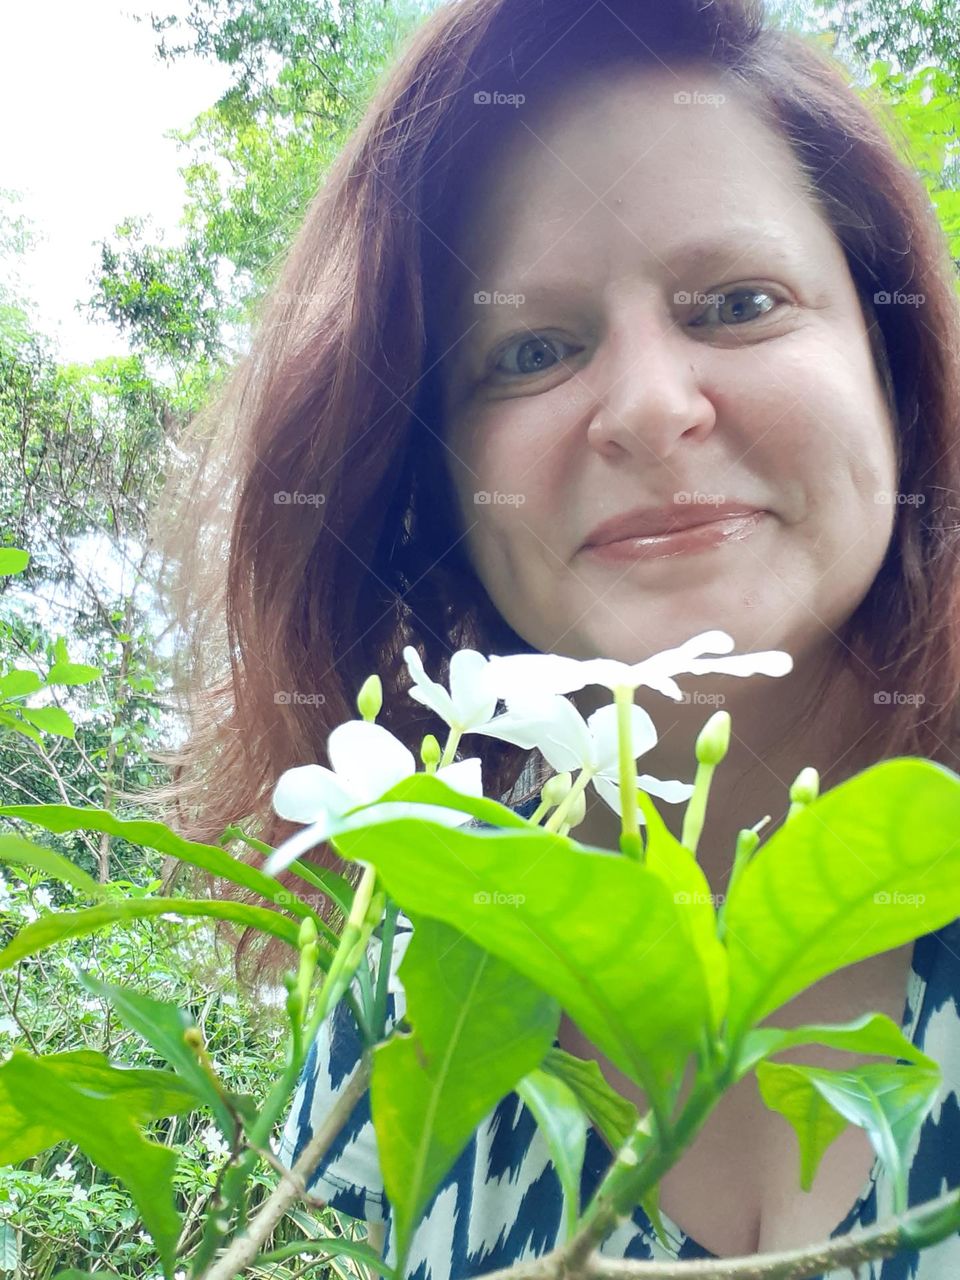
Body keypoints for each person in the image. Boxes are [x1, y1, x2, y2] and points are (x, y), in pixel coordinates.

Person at [148, 0, 960, 1276]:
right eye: (530, 349)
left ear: (894, 370)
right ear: (436, 482)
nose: (646, 408)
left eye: (739, 301)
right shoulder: (407, 1021)